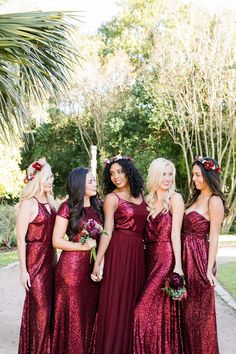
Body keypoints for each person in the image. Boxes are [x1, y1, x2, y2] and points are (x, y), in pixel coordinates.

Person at [91, 154, 148, 354]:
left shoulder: (142, 195)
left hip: (138, 255)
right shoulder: (111, 198)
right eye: (112, 173)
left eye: (120, 171)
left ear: (129, 171)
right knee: (116, 303)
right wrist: (98, 262)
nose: (116, 176)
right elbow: (107, 231)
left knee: (133, 303)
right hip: (119, 253)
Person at [134, 158, 185, 354]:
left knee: (141, 311)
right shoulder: (146, 201)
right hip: (147, 260)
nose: (168, 178)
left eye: (170, 174)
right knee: (156, 313)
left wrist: (178, 266)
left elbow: (175, 234)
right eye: (164, 174)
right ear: (155, 175)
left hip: (166, 258)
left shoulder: (175, 199)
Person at [51, 167, 103, 354]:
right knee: (74, 318)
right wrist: (83, 246)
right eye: (90, 181)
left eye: (94, 180)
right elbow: (56, 240)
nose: (95, 184)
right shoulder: (67, 207)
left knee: (89, 315)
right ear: (79, 184)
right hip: (71, 272)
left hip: (92, 269)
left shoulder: (99, 206)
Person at [182, 156, 227, 354]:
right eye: (193, 175)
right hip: (183, 257)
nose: (194, 179)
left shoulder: (214, 201)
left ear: (208, 175)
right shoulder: (194, 198)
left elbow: (214, 237)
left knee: (199, 316)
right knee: (184, 313)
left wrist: (209, 270)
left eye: (198, 174)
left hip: (199, 259)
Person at [17, 158, 56, 354]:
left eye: (51, 176)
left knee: (50, 312)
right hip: (35, 263)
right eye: (48, 177)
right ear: (38, 178)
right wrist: (23, 271)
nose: (51, 180)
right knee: (40, 312)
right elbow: (20, 239)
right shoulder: (28, 203)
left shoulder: (50, 202)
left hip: (52, 261)